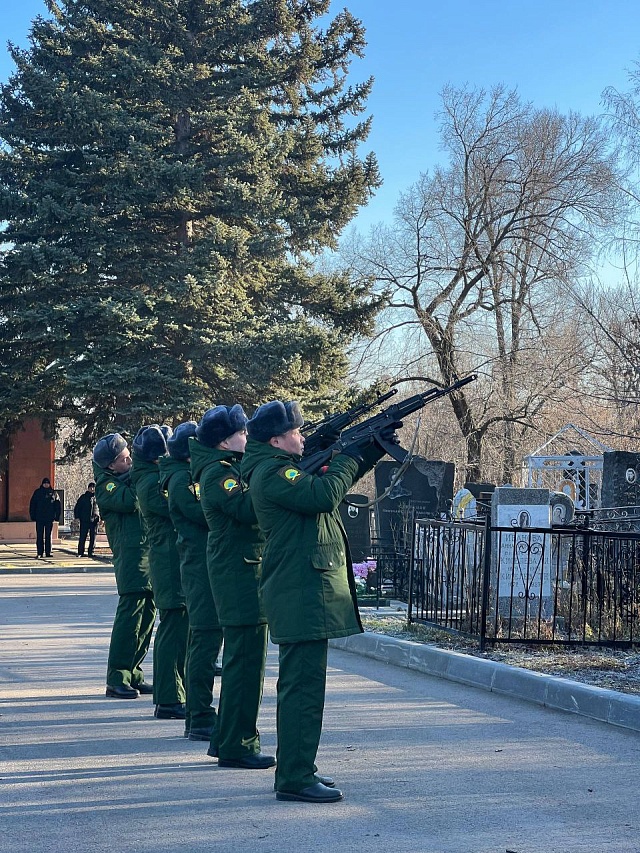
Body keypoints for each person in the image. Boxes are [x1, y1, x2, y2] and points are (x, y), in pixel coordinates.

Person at [242, 400, 396, 803]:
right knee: (302, 689)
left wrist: (367, 452)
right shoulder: (274, 472)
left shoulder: (280, 467)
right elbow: (324, 494)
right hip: (299, 591)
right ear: (276, 440)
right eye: (295, 432)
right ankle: (294, 776)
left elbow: (327, 484)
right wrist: (347, 455)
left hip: (302, 590)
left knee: (306, 687)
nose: (303, 437)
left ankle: (299, 767)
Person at [191, 405, 274, 769]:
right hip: (239, 578)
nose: (247, 437)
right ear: (226, 442)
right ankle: (237, 744)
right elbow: (249, 510)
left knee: (244, 662)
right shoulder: (217, 475)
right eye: (242, 433)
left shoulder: (224, 470)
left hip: (241, 574)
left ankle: (228, 740)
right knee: (244, 665)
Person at [158, 421, 223, 741]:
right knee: (204, 639)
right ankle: (200, 714)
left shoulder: (186, 475)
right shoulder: (181, 479)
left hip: (204, 562)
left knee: (206, 639)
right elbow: (203, 513)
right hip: (198, 565)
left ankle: (199, 712)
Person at [131, 424, 188, 720]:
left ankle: (176, 692)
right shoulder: (150, 482)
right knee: (172, 627)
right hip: (167, 560)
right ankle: (168, 697)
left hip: (171, 557)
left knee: (180, 628)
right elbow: (177, 507)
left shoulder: (152, 475)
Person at [93, 433, 156, 699]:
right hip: (131, 559)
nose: (129, 460)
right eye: (123, 458)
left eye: (130, 454)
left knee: (147, 619)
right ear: (110, 466)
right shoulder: (106, 486)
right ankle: (117, 676)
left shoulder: (126, 476)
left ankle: (133, 672)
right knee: (130, 620)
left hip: (148, 555)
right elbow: (132, 500)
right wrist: (142, 474)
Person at [29, 477, 61, 559]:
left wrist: (57, 516)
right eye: (45, 483)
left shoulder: (54, 493)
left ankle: (48, 552)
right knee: (39, 536)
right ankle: (39, 552)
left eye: (47, 483)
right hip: (39, 518)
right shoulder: (37, 492)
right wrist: (32, 515)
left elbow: (58, 506)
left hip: (49, 518)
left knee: (48, 536)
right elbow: (32, 505)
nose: (46, 484)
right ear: (42, 484)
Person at [73, 482, 100, 557]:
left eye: (93, 487)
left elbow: (102, 508)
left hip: (94, 521)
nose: (92, 489)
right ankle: (80, 552)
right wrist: (77, 517)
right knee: (82, 537)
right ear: (88, 488)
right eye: (90, 487)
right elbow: (77, 508)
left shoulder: (98, 497)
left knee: (93, 537)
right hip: (84, 520)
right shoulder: (83, 497)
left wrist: (101, 518)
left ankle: (91, 552)